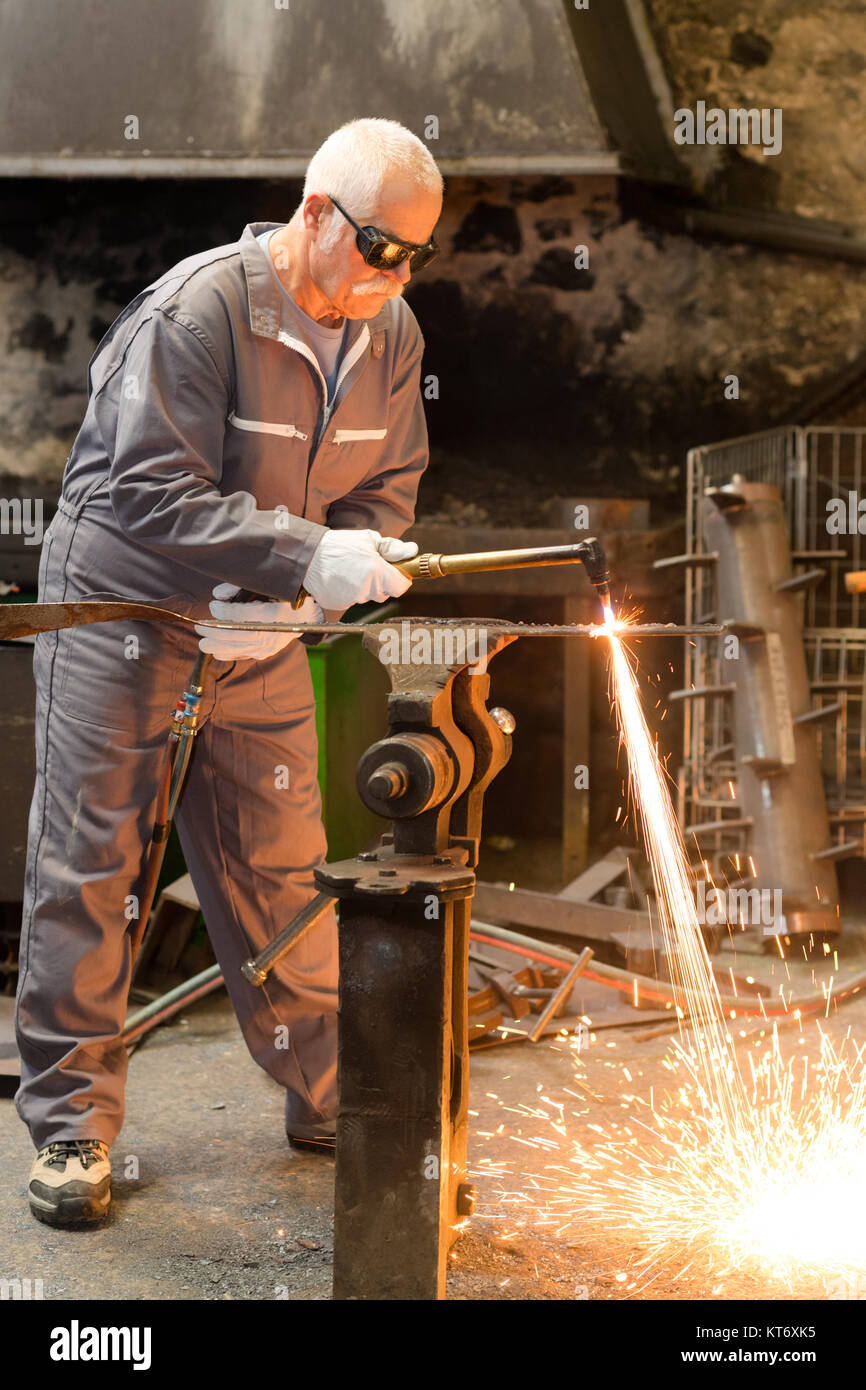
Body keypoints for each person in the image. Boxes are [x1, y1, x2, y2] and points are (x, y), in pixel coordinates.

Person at [15, 117, 443, 1226]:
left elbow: (382, 490)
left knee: (281, 858)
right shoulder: (197, 309)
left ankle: (326, 1090)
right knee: (94, 859)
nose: (392, 277)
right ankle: (70, 1123)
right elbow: (153, 492)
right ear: (314, 214)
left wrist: (313, 591)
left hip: (259, 624)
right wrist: (301, 555)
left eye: (413, 258)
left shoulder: (389, 333)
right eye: (378, 249)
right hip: (127, 609)